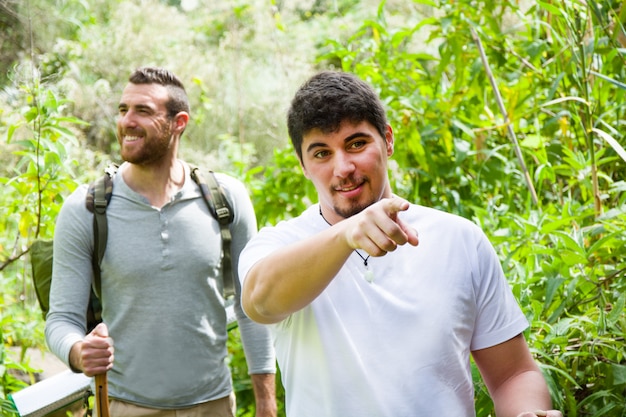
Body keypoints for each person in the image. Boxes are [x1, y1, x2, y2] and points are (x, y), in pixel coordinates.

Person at [238, 71, 562, 417]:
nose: (343, 168)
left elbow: (513, 373)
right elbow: (260, 302)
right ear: (303, 164)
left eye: (356, 144)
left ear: (387, 141)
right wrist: (347, 236)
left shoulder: (460, 239)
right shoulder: (281, 244)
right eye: (321, 153)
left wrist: (526, 411)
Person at [46, 66, 277, 417]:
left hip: (213, 405)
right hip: (123, 406)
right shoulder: (86, 209)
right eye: (123, 110)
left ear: (178, 122)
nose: (127, 121)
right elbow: (60, 320)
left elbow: (253, 307)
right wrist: (78, 351)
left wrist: (266, 403)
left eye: (143, 111)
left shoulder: (225, 198)